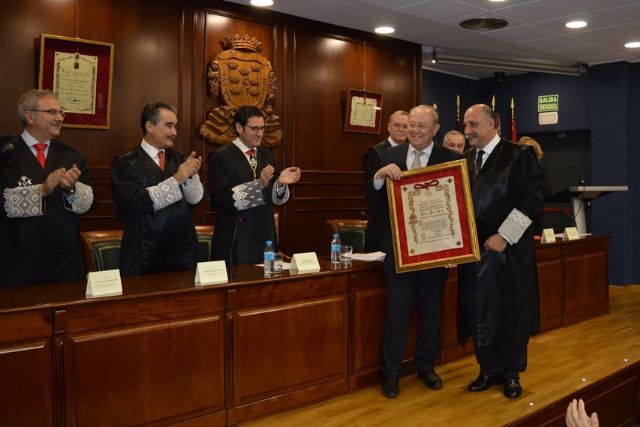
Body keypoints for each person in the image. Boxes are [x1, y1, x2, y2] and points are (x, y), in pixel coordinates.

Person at [366, 105, 462, 398]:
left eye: (422, 126)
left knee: (432, 311)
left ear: (435, 129)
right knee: (397, 312)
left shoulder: (451, 159)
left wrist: (454, 250)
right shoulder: (389, 156)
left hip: (435, 251)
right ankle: (391, 373)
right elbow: (372, 199)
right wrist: (380, 175)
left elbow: (458, 206)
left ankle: (426, 367)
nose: (415, 131)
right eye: (411, 126)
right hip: (398, 250)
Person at [458, 104, 544, 399]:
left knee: (510, 313)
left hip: (508, 254)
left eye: (473, 125)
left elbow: (532, 202)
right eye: (465, 125)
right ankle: (487, 369)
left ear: (494, 123)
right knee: (480, 312)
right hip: (475, 255)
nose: (467, 131)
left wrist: (504, 236)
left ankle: (511, 373)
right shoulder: (466, 160)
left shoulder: (520, 156)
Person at [0, 89, 94, 287]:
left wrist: (70, 190)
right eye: (52, 112)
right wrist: (42, 189)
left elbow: (89, 205)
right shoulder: (6, 154)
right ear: (29, 115)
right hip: (17, 259)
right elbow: (4, 203)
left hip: (65, 259)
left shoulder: (72, 156)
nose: (59, 117)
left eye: (61, 112)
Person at [111, 101, 204, 276]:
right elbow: (137, 202)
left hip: (182, 251)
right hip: (144, 252)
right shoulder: (125, 163)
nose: (174, 132)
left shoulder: (180, 158)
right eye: (169, 126)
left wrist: (190, 177)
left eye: (175, 126)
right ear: (149, 126)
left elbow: (196, 199)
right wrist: (177, 179)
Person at [208, 106, 301, 266]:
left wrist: (279, 183)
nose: (259, 134)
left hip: (264, 232)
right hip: (236, 236)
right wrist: (258, 185)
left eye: (262, 128)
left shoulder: (267, 154)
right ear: (239, 127)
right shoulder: (221, 156)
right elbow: (220, 199)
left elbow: (271, 197)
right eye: (254, 129)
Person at [362, 110, 409, 252]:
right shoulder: (376, 152)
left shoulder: (413, 152)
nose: (401, 129)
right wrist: (381, 174)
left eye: (405, 126)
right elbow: (371, 191)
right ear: (389, 127)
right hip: (382, 222)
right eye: (397, 125)